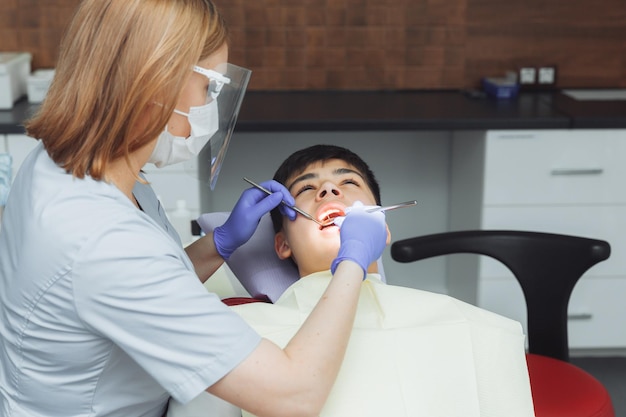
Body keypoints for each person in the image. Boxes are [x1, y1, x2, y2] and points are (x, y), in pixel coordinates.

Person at [0, 2, 389, 417]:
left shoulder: (70, 160)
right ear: (156, 84)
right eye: (208, 88)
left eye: (348, 182)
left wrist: (215, 246)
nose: (210, 106)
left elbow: (138, 285)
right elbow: (293, 396)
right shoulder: (100, 238)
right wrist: (350, 261)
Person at [169, 144, 536, 417]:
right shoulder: (236, 334)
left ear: (383, 229)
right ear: (281, 244)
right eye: (306, 190)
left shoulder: (478, 330)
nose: (329, 192)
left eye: (348, 182)